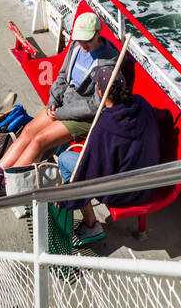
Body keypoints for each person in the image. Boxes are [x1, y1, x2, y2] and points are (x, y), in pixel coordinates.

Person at [0, 10, 117, 200]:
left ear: (98, 34)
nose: (82, 44)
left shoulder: (109, 60)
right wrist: (53, 101)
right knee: (28, 131)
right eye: (80, 39)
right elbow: (62, 77)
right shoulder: (75, 46)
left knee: (39, 141)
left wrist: (61, 113)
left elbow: (94, 105)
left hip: (83, 117)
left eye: (87, 40)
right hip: (62, 106)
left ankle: (10, 186)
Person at [56, 65, 161, 247]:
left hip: (123, 193)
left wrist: (65, 197)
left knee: (66, 159)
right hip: (149, 183)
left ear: (100, 90)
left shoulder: (105, 126)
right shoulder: (142, 104)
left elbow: (91, 174)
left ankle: (91, 225)